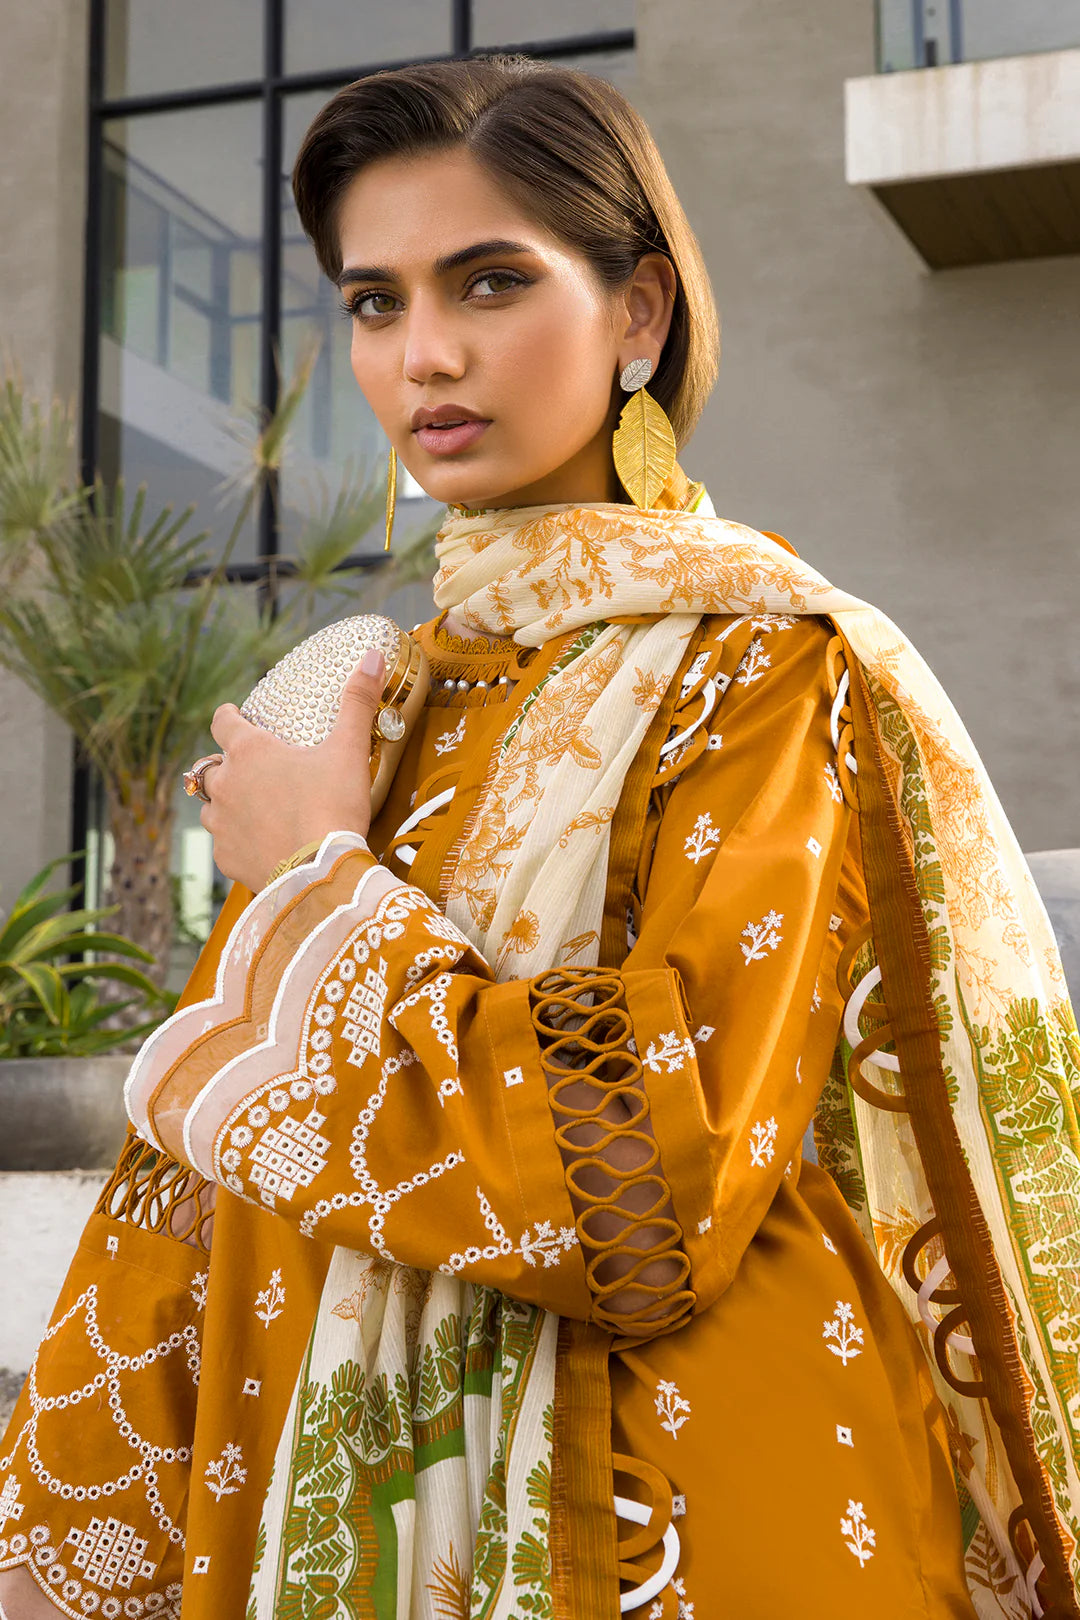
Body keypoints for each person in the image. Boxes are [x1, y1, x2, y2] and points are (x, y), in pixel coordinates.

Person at [1, 54, 1077, 1620]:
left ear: (639, 312)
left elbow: (655, 1180)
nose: (425, 354)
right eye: (375, 302)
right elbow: (211, 1167)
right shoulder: (361, 699)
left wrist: (317, 889)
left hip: (678, 1516)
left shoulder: (766, 671)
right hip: (320, 1495)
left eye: (490, 281)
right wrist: (76, 1545)